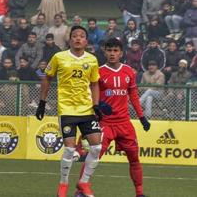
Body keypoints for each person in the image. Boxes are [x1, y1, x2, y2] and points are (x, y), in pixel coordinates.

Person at [75, 38, 150, 197]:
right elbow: (89, 95)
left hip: (124, 123)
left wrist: (142, 117)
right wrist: (98, 106)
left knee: (134, 158)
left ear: (121, 53)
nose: (112, 54)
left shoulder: (129, 71)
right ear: (105, 52)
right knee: (93, 157)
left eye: (115, 51)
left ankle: (140, 193)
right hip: (105, 124)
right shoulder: (98, 72)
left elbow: (134, 96)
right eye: (109, 50)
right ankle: (80, 190)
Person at [35, 26, 103, 197]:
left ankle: (84, 182)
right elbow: (47, 78)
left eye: (81, 36)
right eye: (75, 36)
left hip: (87, 109)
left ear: (86, 41)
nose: (78, 38)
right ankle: (63, 184)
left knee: (97, 147)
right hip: (67, 110)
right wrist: (42, 103)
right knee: (70, 150)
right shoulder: (59, 57)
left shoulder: (92, 60)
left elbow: (95, 84)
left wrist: (96, 105)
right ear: (70, 39)